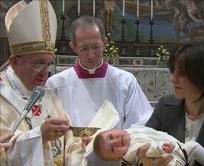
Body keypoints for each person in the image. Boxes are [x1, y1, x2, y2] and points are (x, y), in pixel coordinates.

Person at [46, 15, 153, 166]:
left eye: (96, 47)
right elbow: (48, 132)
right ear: (73, 47)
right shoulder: (56, 84)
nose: (91, 55)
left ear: (105, 43)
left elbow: (141, 123)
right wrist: (74, 141)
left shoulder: (125, 81)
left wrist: (114, 142)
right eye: (84, 49)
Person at [0, 0, 85, 165]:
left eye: (49, 63)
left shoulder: (49, 97)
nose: (45, 71)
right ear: (14, 61)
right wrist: (40, 135)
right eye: (38, 63)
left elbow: (72, 145)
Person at [93, 126, 204, 166]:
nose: (116, 142)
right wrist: (161, 147)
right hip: (170, 159)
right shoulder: (131, 152)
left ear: (113, 129)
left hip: (175, 147)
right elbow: (149, 149)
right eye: (112, 149)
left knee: (192, 146)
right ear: (117, 158)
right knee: (193, 146)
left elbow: (154, 132)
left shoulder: (131, 129)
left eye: (111, 136)